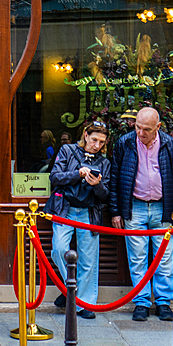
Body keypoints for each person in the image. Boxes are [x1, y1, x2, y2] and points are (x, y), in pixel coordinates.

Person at [110, 107, 173, 322]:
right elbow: (115, 178)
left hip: (163, 208)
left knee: (164, 258)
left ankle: (163, 302)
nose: (141, 133)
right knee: (137, 257)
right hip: (134, 207)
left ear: (158, 127)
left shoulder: (170, 144)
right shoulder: (125, 143)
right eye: (137, 127)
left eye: (146, 129)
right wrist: (116, 211)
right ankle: (141, 302)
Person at [46, 120, 111, 319]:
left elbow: (106, 194)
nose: (97, 145)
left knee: (88, 261)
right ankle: (71, 291)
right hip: (64, 209)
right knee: (58, 250)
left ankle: (86, 304)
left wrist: (97, 184)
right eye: (94, 140)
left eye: (101, 142)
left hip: (88, 212)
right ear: (85, 135)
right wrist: (77, 174)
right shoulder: (67, 151)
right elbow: (54, 177)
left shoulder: (104, 163)